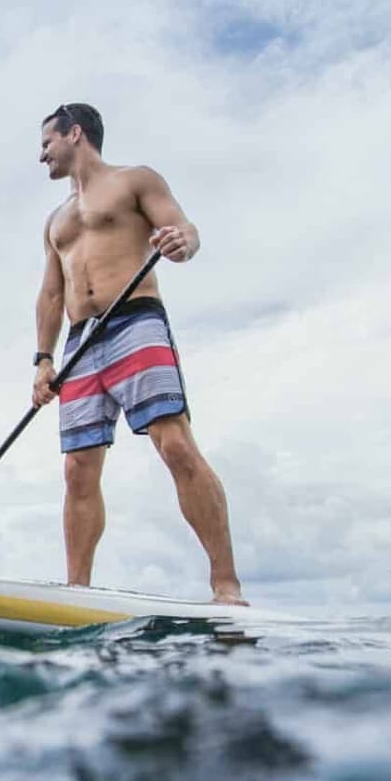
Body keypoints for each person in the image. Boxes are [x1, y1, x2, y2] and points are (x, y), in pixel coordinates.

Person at [29, 103, 246, 605]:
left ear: (75, 134)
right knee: (78, 469)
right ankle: (77, 592)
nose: (42, 156)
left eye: (46, 144)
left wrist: (182, 243)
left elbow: (184, 230)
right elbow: (51, 295)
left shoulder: (135, 180)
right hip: (80, 343)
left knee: (174, 445)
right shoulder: (54, 221)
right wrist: (42, 359)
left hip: (135, 322)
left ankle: (226, 586)